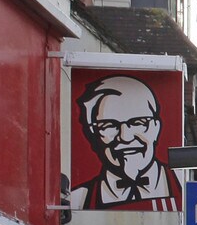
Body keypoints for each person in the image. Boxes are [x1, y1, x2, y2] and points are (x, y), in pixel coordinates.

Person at [69, 74, 182, 211]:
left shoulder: (185, 188)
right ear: (93, 134)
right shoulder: (77, 201)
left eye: (138, 123)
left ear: (156, 127)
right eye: (109, 125)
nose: (125, 137)